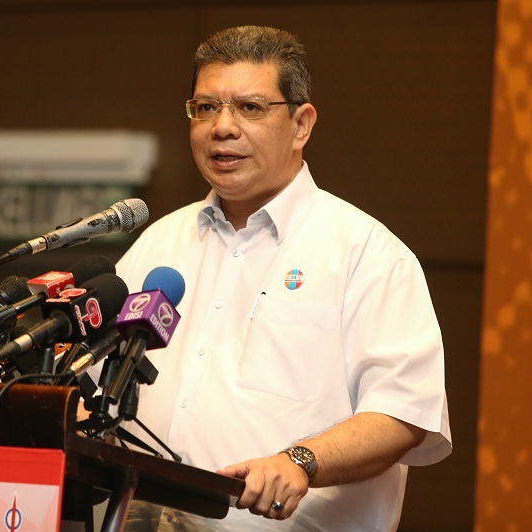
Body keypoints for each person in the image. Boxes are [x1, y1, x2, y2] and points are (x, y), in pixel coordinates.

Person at [113, 25, 452, 530]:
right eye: (205, 108)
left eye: (249, 107)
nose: (221, 127)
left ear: (300, 125)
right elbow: (94, 385)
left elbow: (403, 413)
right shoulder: (159, 244)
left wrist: (300, 461)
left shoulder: (367, 253)